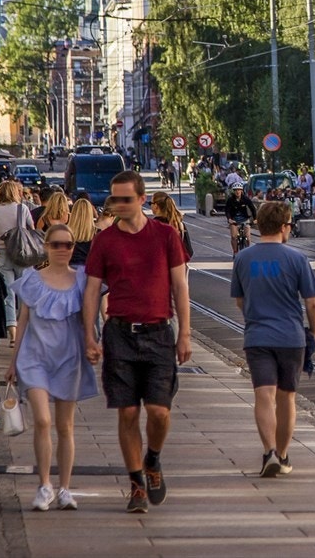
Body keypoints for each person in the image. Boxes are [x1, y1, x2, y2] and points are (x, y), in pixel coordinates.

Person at [81, 170, 190, 514]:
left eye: (126, 199)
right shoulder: (105, 240)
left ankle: (153, 460)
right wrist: (90, 335)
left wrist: (184, 332)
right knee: (127, 412)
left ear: (143, 199)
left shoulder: (165, 235)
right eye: (115, 199)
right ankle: (136, 485)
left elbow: (180, 286)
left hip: (158, 332)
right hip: (120, 333)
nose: (120, 205)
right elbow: (92, 290)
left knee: (159, 411)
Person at [7, 223, 99, 511]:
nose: (62, 250)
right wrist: (12, 360)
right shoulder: (31, 280)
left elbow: (91, 318)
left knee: (65, 426)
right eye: (56, 244)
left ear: (73, 248)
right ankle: (44, 484)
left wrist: (94, 343)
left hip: (69, 358)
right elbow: (22, 321)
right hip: (34, 357)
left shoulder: (83, 279)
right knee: (43, 421)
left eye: (68, 245)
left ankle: (65, 488)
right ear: (46, 247)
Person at [232, 201, 315, 478]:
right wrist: (312, 333)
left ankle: (268, 451)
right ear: (284, 227)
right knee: (286, 399)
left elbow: (239, 300)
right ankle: (282, 456)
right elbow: (313, 303)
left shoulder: (243, 259)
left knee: (263, 395)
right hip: (291, 338)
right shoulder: (296, 259)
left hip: (257, 336)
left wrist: (254, 315)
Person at [0, 180, 37, 343]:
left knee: (8, 295)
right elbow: (31, 228)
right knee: (24, 293)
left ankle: (13, 334)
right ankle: (24, 331)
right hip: (22, 253)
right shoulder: (22, 208)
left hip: (2, 253)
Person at [151, 192, 194, 262]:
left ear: (156, 206)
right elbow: (189, 251)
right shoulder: (179, 224)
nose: (150, 206)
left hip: (159, 269)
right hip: (177, 269)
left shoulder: (153, 226)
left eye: (150, 203)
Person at [223, 185, 257, 255]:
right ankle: (235, 251)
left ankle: (248, 251)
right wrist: (229, 219)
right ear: (234, 191)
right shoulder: (230, 200)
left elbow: (253, 208)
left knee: (247, 236)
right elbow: (227, 211)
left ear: (241, 191)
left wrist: (255, 219)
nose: (237, 191)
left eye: (239, 190)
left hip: (244, 219)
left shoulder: (245, 199)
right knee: (234, 236)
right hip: (234, 220)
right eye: (236, 190)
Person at [67, 199, 98, 267]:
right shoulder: (98, 233)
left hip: (68, 269)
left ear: (73, 212)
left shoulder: (65, 232)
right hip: (89, 270)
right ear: (90, 213)